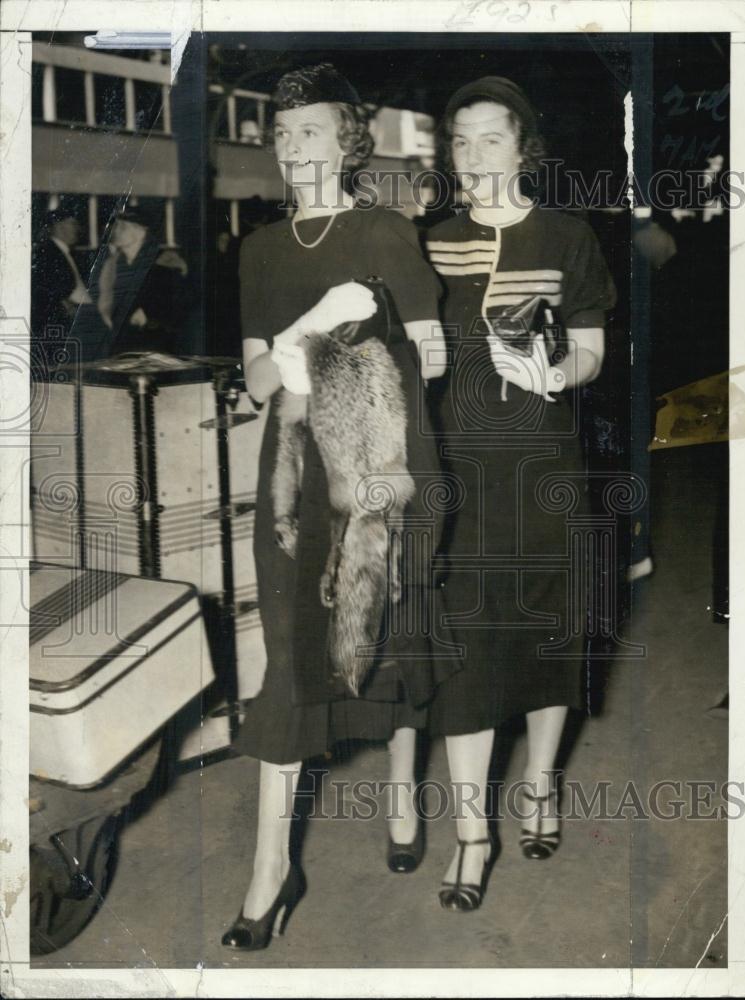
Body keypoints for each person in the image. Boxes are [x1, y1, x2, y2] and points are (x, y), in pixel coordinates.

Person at [224, 62, 454, 951]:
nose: (293, 148)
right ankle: (270, 872)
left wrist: (352, 360)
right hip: (292, 486)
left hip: (386, 477)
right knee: (291, 665)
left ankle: (403, 792)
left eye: (311, 131)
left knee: (394, 640)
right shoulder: (260, 251)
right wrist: (310, 330)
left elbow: (429, 361)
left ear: (348, 142)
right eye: (282, 135)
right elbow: (253, 385)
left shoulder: (387, 231)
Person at [425, 76, 616, 910]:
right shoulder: (429, 242)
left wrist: (554, 376)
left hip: (543, 472)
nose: (472, 157)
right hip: (456, 478)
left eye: (490, 139)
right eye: (460, 142)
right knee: (462, 653)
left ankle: (540, 783)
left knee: (547, 637)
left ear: (524, 146)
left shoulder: (566, 235)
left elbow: (592, 353)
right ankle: (473, 833)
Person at [90, 204, 189, 358]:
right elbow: (105, 301)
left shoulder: (165, 262)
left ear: (140, 231)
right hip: (119, 346)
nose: (115, 232)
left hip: (157, 347)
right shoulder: (112, 265)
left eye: (122, 227)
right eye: (116, 227)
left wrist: (150, 315)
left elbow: (179, 306)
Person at [31, 208, 92, 344]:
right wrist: (68, 306)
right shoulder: (47, 252)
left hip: (82, 313)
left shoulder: (67, 253)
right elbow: (45, 287)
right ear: (59, 226)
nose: (78, 229)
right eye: (73, 224)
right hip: (64, 316)